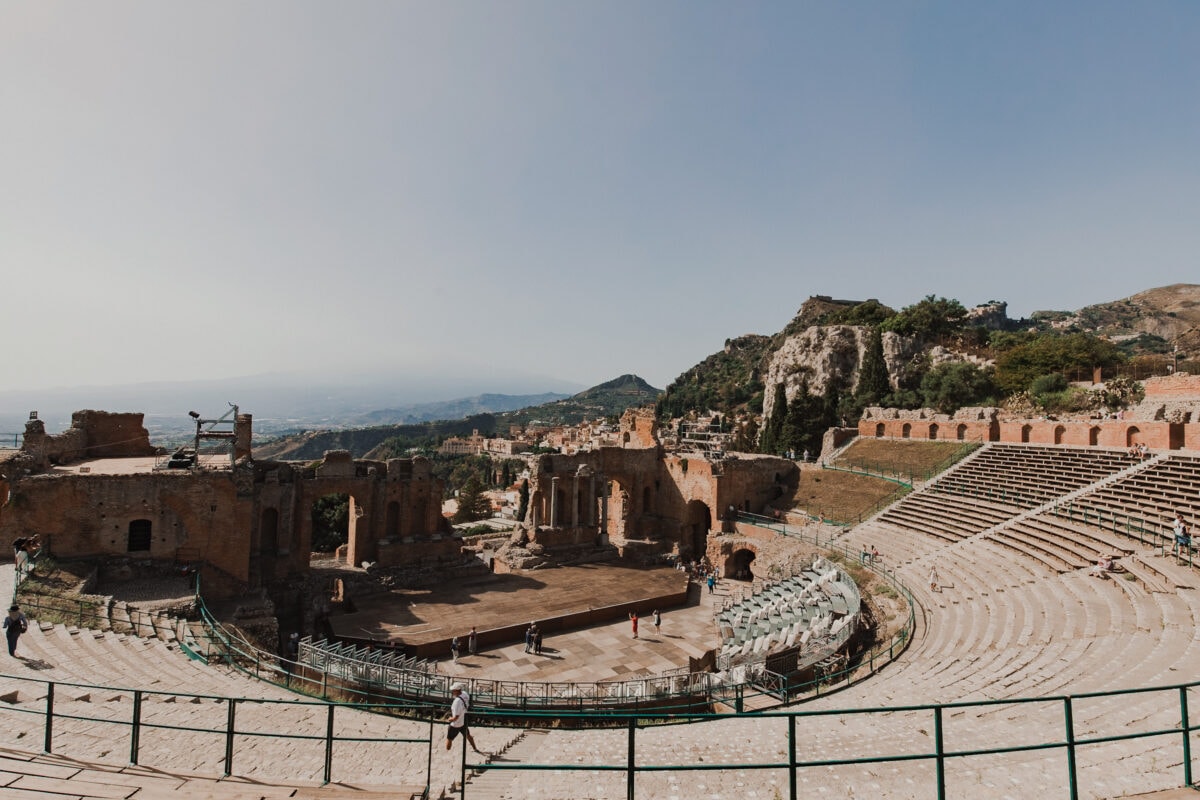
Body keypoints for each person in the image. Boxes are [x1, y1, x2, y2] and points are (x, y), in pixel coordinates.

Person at [444, 683, 481, 753]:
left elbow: (455, 717)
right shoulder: (465, 694)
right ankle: (475, 748)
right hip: (463, 720)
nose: (452, 692)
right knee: (468, 735)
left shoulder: (456, 702)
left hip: (456, 724)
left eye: (453, 690)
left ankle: (447, 750)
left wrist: (449, 719)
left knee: (449, 738)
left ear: (457, 690)